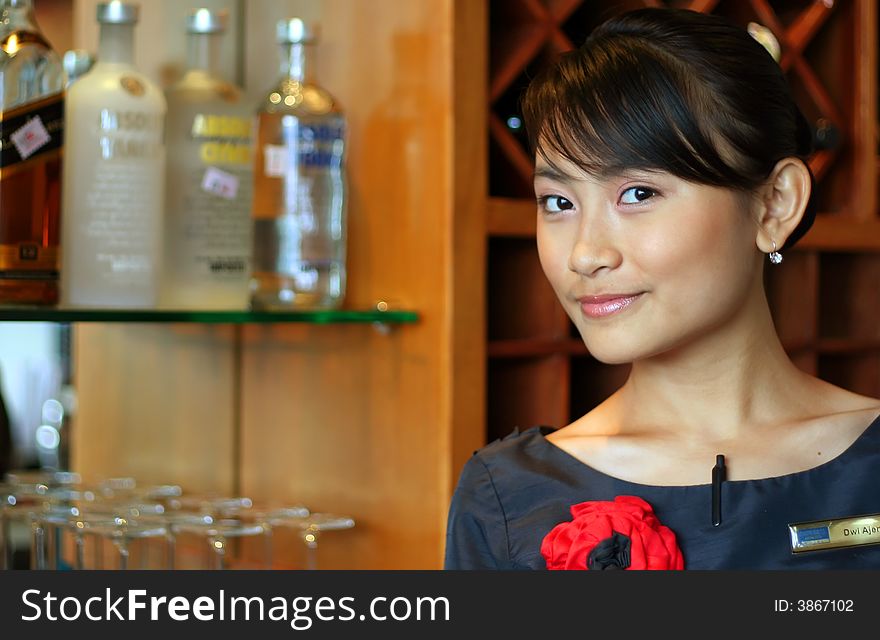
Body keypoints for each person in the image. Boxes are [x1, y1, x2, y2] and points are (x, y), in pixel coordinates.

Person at [445, 7, 880, 570]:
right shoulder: (509, 497)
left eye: (638, 194)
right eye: (558, 202)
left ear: (775, 204)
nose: (585, 253)